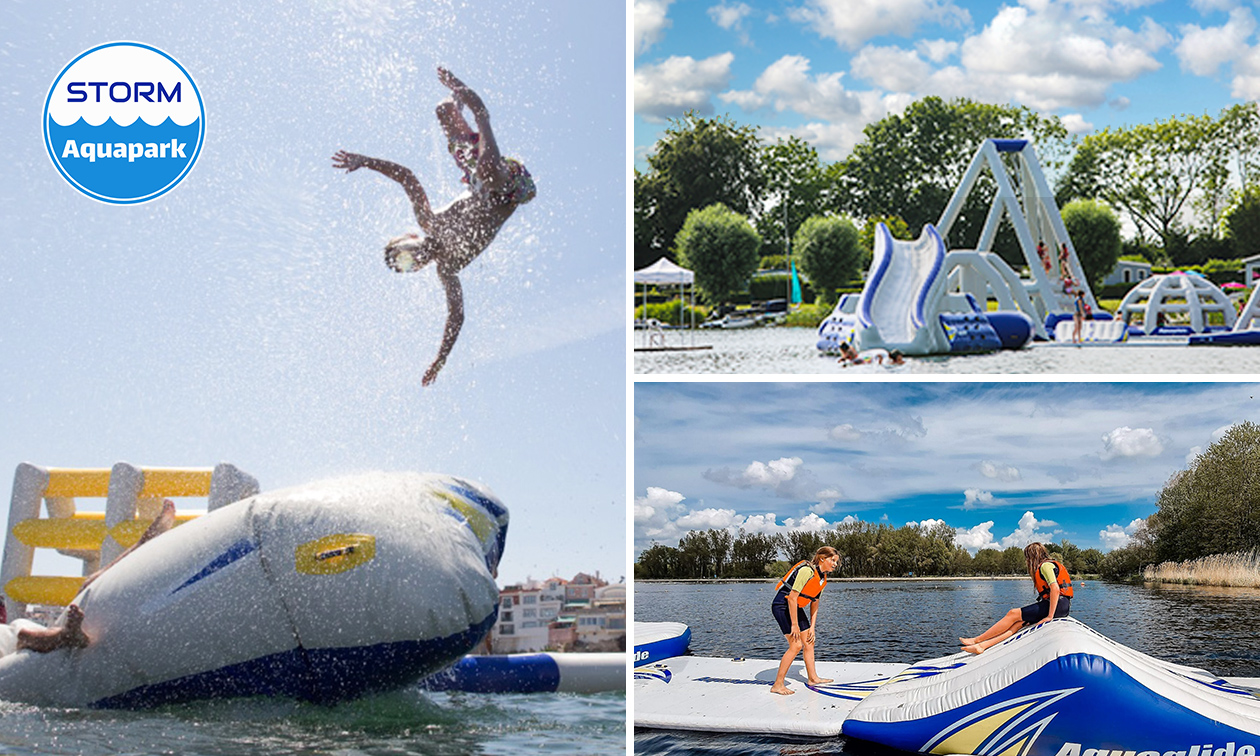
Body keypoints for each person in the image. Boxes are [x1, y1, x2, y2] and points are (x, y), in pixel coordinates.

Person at [333, 67, 536, 386]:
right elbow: (457, 316)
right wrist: (440, 360)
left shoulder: (428, 220)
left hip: (486, 177)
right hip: (514, 190)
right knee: (483, 167)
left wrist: (365, 161)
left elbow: (407, 177)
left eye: (403, 254)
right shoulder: (449, 268)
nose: (412, 260)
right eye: (407, 267)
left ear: (409, 238)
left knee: (443, 110)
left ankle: (473, 109)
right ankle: (480, 121)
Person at [0, 499, 177, 656]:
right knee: (23, 635)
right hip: (17, 639)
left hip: (21, 634)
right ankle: (65, 636)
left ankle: (143, 543)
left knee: (89, 585)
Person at [959, 542, 1072, 655]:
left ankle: (977, 640)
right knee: (1018, 624)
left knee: (1013, 614)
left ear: (1032, 557)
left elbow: (1055, 589)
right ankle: (982, 646)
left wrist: (1049, 616)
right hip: (1062, 607)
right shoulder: (1049, 565)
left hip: (1058, 605)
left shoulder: (1045, 566)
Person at [770, 546, 841, 695]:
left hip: (796, 607)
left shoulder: (822, 579)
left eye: (836, 562)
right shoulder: (806, 571)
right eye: (833, 560)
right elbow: (792, 598)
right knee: (795, 645)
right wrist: (794, 625)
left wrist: (812, 628)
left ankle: (813, 678)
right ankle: (778, 684)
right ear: (822, 558)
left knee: (809, 641)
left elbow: (814, 603)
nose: (835, 564)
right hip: (782, 606)